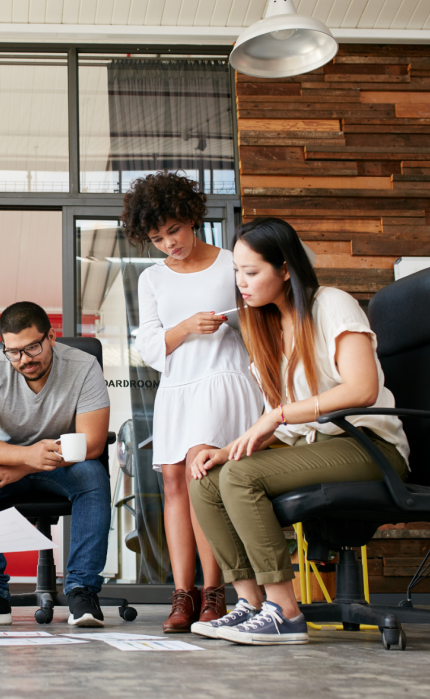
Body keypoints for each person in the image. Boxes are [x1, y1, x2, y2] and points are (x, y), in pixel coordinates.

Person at [188, 217, 410, 646]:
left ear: (285, 268)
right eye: (237, 272)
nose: (242, 283)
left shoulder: (332, 304)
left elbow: (362, 389)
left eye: (251, 272)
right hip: (318, 446)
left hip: (369, 446)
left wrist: (279, 415)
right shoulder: (267, 328)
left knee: (241, 476)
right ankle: (250, 604)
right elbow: (283, 425)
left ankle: (285, 612)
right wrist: (229, 448)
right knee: (208, 478)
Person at [122, 172, 264, 633]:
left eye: (174, 231)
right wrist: (187, 327)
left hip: (224, 380)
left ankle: (215, 592)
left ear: (191, 217)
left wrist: (231, 324)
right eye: (158, 238)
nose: (169, 244)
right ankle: (182, 595)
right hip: (177, 387)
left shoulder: (230, 264)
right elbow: (147, 345)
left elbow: (261, 325)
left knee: (203, 478)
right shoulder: (152, 278)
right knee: (173, 483)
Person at [0, 302, 112, 627]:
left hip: (65, 463)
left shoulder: (84, 366)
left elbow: (92, 442)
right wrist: (24, 457)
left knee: (93, 476)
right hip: (9, 459)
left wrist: (27, 466)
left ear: (51, 336)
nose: (24, 360)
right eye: (14, 352)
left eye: (33, 347)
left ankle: (82, 591)